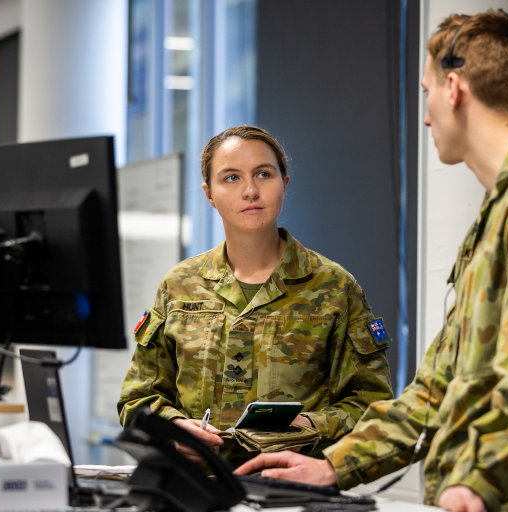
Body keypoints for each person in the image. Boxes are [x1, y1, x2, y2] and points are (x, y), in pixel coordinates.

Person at [235, 10, 508, 512]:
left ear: (454, 88)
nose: (426, 116)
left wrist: (476, 480)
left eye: (427, 93)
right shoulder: (499, 212)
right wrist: (331, 467)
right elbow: (436, 389)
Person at [117, 125, 394, 466]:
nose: (250, 190)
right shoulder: (179, 286)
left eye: (263, 174)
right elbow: (136, 400)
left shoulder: (334, 287)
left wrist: (308, 425)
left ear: (285, 183)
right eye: (231, 178)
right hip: (195, 491)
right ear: (209, 194)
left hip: (291, 493)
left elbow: (371, 405)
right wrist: (173, 429)